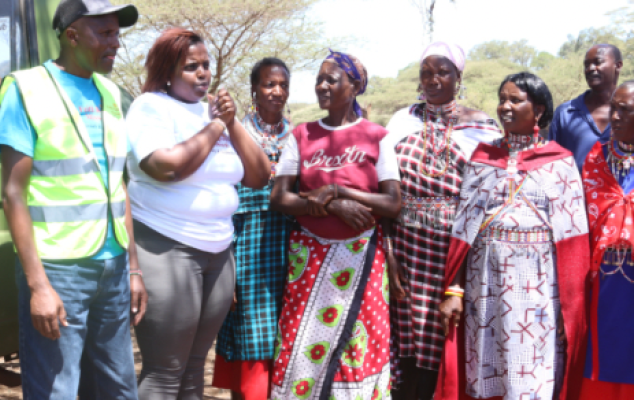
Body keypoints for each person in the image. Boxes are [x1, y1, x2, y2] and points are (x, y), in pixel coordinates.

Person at [0, 0, 146, 398]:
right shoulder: (26, 89)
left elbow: (117, 185)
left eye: (117, 33)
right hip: (58, 271)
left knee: (118, 387)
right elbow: (12, 194)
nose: (116, 43)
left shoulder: (110, 92)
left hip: (111, 265)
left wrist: (132, 268)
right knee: (57, 390)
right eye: (105, 33)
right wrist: (38, 285)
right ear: (72, 36)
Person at [124, 28, 270, 400]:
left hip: (218, 252)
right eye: (191, 67)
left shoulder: (215, 115)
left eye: (206, 65)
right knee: (164, 371)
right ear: (167, 72)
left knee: (193, 369)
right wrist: (217, 125)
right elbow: (166, 166)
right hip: (167, 247)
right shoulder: (151, 107)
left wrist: (231, 122)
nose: (203, 73)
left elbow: (259, 175)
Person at [435, 72, 589, 400]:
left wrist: (569, 307)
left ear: (540, 110)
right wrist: (454, 290)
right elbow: (462, 235)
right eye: (502, 98)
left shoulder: (560, 164)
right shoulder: (481, 159)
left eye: (515, 100)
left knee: (531, 378)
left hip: (538, 292)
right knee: (486, 373)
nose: (505, 106)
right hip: (484, 288)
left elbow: (574, 243)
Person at [268, 49, 402, 400]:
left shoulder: (377, 136)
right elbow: (280, 197)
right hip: (310, 259)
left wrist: (340, 191)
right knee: (301, 338)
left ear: (354, 86)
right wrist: (333, 208)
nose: (322, 85)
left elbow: (392, 203)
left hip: (362, 259)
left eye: (332, 79)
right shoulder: (302, 135)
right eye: (318, 79)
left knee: (358, 345)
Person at [384, 42, 502, 400]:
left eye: (443, 72)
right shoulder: (401, 120)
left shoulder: (483, 127)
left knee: (445, 339)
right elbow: (386, 191)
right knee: (404, 344)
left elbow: (488, 204)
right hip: (404, 248)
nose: (433, 79)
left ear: (458, 76)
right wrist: (389, 257)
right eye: (426, 72)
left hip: (455, 253)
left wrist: (460, 281)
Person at [212, 57, 295, 400]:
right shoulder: (234, 133)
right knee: (250, 342)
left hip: (290, 252)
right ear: (254, 90)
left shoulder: (296, 136)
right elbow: (222, 207)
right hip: (245, 252)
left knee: (288, 340)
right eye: (268, 84)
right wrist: (225, 271)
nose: (277, 92)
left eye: (283, 85)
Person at [578, 80, 634, 399]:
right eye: (613, 109)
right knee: (600, 356)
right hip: (602, 281)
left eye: (624, 111)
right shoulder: (596, 158)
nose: (614, 117)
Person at [549, 44, 623, 170]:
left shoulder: (629, 113)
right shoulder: (565, 113)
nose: (590, 68)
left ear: (618, 65)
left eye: (598, 62)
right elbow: (551, 162)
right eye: (586, 65)